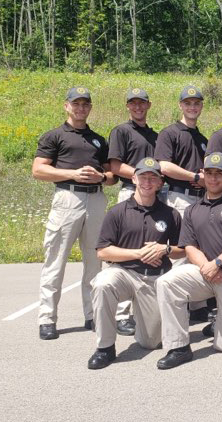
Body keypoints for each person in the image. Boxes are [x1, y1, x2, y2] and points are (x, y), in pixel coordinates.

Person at [155, 153, 222, 369]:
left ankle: (221, 323)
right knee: (167, 282)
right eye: (209, 173)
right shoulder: (193, 210)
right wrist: (207, 267)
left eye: (219, 173)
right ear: (202, 174)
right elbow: (189, 247)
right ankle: (178, 347)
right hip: (206, 273)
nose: (213, 178)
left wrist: (218, 263)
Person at [32, 87, 115, 340]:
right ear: (66, 106)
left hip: (96, 199)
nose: (80, 108)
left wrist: (101, 176)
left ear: (90, 108)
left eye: (85, 104)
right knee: (55, 260)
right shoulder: (54, 136)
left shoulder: (98, 139)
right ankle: (47, 318)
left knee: (95, 261)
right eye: (76, 103)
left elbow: (112, 176)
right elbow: (38, 170)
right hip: (68, 198)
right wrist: (72, 174)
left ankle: (92, 315)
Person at [87, 158, 183, 369]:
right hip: (125, 273)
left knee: (151, 342)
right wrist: (138, 253)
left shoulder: (171, 214)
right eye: (143, 177)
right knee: (103, 283)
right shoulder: (117, 212)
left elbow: (181, 250)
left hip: (155, 279)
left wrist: (164, 249)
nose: (147, 182)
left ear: (160, 182)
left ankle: (143, 323)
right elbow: (103, 251)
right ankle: (105, 348)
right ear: (133, 178)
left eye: (152, 178)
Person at [154, 85, 210, 320]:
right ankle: (174, 310)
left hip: (201, 200)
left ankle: (196, 305)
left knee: (199, 250)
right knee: (183, 250)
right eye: (188, 103)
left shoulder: (203, 138)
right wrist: (195, 177)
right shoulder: (170, 133)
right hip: (180, 196)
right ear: (180, 105)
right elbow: (163, 166)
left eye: (196, 103)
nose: (192, 107)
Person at [107, 87, 159, 336]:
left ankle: (143, 309)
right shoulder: (121, 131)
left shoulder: (155, 135)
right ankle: (120, 314)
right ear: (127, 106)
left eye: (142, 103)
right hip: (131, 191)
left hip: (155, 193)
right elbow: (115, 166)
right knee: (127, 249)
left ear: (149, 105)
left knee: (149, 248)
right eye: (133, 103)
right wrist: (143, 178)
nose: (137, 107)